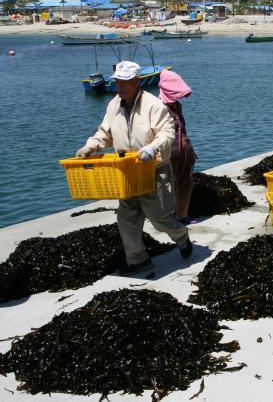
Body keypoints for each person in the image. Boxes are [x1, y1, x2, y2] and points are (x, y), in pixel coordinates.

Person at [75, 62, 193, 275]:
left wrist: (151, 148)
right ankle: (137, 260)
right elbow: (105, 132)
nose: (120, 86)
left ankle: (181, 237)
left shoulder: (153, 105)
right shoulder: (113, 105)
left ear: (136, 82)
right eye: (118, 81)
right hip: (128, 170)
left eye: (125, 82)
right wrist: (90, 146)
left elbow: (167, 133)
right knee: (127, 218)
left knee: (161, 219)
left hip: (154, 169)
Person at [158, 69, 197, 225]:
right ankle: (168, 216)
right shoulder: (158, 106)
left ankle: (182, 214)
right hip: (167, 153)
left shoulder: (177, 105)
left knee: (185, 182)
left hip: (184, 151)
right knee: (167, 186)